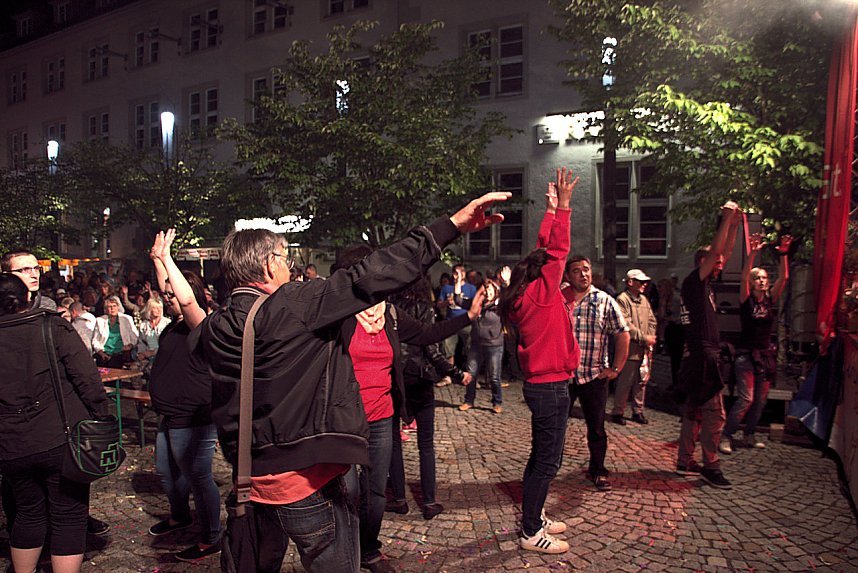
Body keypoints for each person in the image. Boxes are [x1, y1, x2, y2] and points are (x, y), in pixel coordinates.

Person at [195, 191, 510, 573]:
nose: (291, 268)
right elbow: (371, 274)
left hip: (252, 484)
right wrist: (451, 227)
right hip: (306, 483)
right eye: (285, 259)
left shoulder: (217, 324)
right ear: (267, 264)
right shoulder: (294, 304)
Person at [335, 245, 483, 572]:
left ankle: (369, 550)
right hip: (344, 419)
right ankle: (345, 550)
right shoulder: (339, 315)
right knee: (348, 489)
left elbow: (427, 334)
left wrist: (468, 317)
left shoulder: (387, 313)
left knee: (375, 493)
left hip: (380, 416)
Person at [0, 274, 110, 573]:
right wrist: (103, 417)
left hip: (11, 445)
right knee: (69, 515)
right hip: (59, 439)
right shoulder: (52, 326)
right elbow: (87, 378)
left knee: (26, 513)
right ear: (27, 298)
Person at [498, 167, 578, 555]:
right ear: (541, 273)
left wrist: (549, 212)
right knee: (547, 461)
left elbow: (545, 250)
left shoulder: (527, 293)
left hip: (546, 385)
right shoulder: (542, 293)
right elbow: (557, 251)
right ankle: (531, 531)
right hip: (549, 387)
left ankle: (536, 512)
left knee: (542, 457)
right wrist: (563, 207)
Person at [146, 229, 222, 562]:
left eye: (172, 295)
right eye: (166, 295)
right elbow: (171, 292)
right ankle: (180, 517)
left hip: (194, 418)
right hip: (170, 415)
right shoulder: (172, 324)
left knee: (198, 477)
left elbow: (186, 298)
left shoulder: (201, 324)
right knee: (166, 471)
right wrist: (157, 261)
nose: (167, 298)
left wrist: (167, 259)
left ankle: (211, 537)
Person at [387, 276, 471, 520]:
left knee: (393, 442)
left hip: (395, 379)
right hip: (420, 379)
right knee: (426, 444)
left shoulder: (390, 309)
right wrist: (456, 373)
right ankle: (429, 501)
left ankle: (400, 499)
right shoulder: (424, 309)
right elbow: (432, 350)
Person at [675, 200, 742, 489]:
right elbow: (717, 252)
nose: (719, 265)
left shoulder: (703, 286)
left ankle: (684, 460)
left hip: (697, 358)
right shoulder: (694, 283)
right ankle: (710, 466)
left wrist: (736, 227)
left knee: (694, 410)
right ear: (702, 264)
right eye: (713, 264)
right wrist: (725, 218)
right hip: (703, 358)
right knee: (716, 414)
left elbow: (723, 253)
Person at [562, 256, 629, 492]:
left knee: (597, 427)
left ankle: (598, 470)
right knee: (557, 426)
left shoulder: (604, 301)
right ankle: (548, 469)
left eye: (587, 270)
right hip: (564, 376)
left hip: (594, 376)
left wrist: (616, 369)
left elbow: (622, 333)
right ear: (568, 276)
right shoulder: (559, 298)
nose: (583, 274)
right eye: (577, 271)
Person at [721, 234, 792, 453]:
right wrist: (752, 253)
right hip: (746, 356)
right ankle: (726, 435)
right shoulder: (746, 300)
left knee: (761, 401)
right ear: (752, 283)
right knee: (746, 398)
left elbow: (785, 277)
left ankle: (749, 434)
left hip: (765, 356)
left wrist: (783, 253)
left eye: (763, 277)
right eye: (757, 278)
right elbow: (743, 277)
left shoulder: (770, 300)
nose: (761, 280)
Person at [611, 269, 657, 425]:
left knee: (641, 381)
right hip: (629, 349)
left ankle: (638, 410)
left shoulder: (644, 300)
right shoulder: (622, 299)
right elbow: (625, 323)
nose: (644, 285)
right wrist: (644, 337)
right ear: (630, 282)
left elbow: (651, 320)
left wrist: (649, 338)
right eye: (640, 281)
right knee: (625, 382)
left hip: (642, 349)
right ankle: (618, 411)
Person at [459, 278, 504, 413]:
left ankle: (497, 402)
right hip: (476, 344)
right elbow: (458, 301)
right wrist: (458, 281)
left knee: (494, 376)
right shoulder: (477, 305)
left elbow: (510, 299)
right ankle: (469, 400)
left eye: (490, 290)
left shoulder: (499, 306)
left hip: (494, 345)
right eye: (485, 290)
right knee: (471, 374)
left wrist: (506, 283)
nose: (488, 293)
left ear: (495, 291)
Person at [435, 264, 476, 386]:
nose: (458, 276)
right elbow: (438, 304)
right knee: (448, 349)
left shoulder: (471, 288)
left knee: (470, 349)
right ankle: (449, 375)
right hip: (450, 322)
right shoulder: (447, 288)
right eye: (456, 273)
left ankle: (471, 376)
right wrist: (446, 302)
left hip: (465, 322)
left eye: (461, 273)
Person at [92, 295, 138, 367]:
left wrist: (130, 345)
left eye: (114, 306)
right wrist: (101, 353)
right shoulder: (100, 320)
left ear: (118, 307)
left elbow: (135, 337)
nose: (112, 308)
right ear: (106, 309)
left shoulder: (126, 319)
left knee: (114, 362)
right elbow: (95, 341)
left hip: (121, 353)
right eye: (109, 307)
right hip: (104, 352)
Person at [136, 297, 170, 363]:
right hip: (147, 355)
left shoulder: (167, 323)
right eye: (155, 308)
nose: (159, 310)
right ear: (149, 309)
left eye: (160, 308)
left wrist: (153, 352)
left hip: (162, 356)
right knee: (134, 368)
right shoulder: (144, 325)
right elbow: (141, 342)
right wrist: (141, 353)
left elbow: (168, 344)